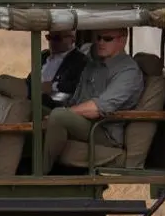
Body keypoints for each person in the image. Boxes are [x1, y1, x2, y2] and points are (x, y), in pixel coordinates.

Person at [42, 28, 144, 174]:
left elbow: (98, 108)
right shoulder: (94, 65)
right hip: (85, 123)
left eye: (107, 39)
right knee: (34, 109)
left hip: (104, 130)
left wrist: (63, 113)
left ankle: (41, 173)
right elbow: (76, 99)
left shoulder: (128, 72)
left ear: (122, 40)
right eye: (99, 38)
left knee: (58, 116)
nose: (101, 42)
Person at [25, 30, 88, 109]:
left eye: (57, 38)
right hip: (31, 99)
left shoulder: (80, 60)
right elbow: (29, 80)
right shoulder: (44, 56)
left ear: (72, 39)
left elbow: (81, 85)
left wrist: (54, 86)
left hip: (56, 106)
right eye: (49, 37)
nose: (52, 42)